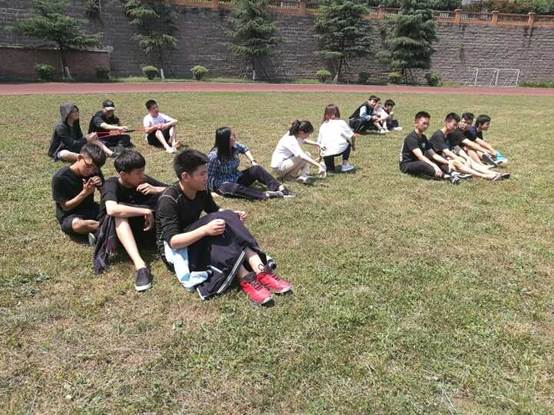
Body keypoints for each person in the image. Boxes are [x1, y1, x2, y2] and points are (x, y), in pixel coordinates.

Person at [156, 149, 292, 305]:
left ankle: (261, 270)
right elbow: (173, 242)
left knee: (224, 219)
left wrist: (232, 215)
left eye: (207, 172)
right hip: (176, 249)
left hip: (193, 236)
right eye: (202, 174)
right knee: (217, 225)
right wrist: (205, 230)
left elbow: (214, 210)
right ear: (185, 176)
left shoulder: (201, 189)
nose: (207, 177)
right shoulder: (169, 200)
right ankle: (245, 278)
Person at [98, 150, 167, 291]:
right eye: (138, 173)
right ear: (123, 174)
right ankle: (140, 266)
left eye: (143, 171)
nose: (142, 175)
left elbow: (175, 190)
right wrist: (145, 211)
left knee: (165, 200)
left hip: (143, 229)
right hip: (118, 235)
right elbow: (112, 209)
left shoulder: (143, 180)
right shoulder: (111, 185)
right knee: (119, 214)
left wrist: (156, 189)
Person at [207, 127, 292, 200]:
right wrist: (212, 191)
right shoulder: (214, 156)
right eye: (233, 135)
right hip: (222, 185)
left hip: (236, 177)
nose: (235, 136)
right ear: (227, 139)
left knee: (256, 169)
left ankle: (279, 188)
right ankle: (266, 195)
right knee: (232, 187)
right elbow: (208, 176)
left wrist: (253, 161)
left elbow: (244, 148)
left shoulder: (234, 146)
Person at [428, 113, 509, 182]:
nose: (455, 127)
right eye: (454, 125)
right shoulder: (438, 135)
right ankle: (487, 176)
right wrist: (458, 158)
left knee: (468, 160)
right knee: (459, 162)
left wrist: (466, 158)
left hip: (446, 158)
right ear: (446, 122)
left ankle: (494, 173)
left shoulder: (450, 134)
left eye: (456, 125)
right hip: (438, 162)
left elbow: (456, 147)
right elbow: (447, 152)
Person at [52, 144, 106, 240]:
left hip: (91, 208)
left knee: (114, 211)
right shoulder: (60, 177)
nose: (91, 171)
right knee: (78, 225)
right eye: (89, 166)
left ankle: (99, 232)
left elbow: (107, 196)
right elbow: (65, 207)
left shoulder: (95, 172)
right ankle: (109, 228)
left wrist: (101, 187)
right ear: (80, 158)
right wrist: (85, 193)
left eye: (95, 168)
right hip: (70, 215)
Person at [398, 111, 454, 182]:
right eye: (424, 123)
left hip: (417, 161)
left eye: (427, 124)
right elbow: (420, 156)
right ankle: (445, 176)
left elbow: (433, 155)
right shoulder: (411, 138)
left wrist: (447, 162)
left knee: (437, 160)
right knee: (423, 164)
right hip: (407, 165)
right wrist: (434, 166)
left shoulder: (423, 137)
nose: (426, 126)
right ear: (416, 123)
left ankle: (453, 173)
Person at [48, 102, 114, 161]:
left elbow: (80, 138)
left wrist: (89, 137)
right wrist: (86, 139)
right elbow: (72, 144)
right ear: (67, 113)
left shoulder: (75, 123)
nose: (77, 113)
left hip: (74, 147)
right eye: (73, 111)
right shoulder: (60, 127)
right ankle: (86, 157)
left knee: (93, 139)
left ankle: (111, 153)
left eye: (77, 111)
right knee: (64, 154)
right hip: (61, 150)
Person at [316, 104, 356, 173]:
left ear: (326, 114)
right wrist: (353, 146)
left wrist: (320, 157)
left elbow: (318, 144)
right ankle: (345, 164)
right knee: (348, 142)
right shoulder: (341, 122)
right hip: (339, 149)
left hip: (325, 152)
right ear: (337, 113)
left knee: (330, 171)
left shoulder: (323, 125)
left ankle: (324, 166)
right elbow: (352, 136)